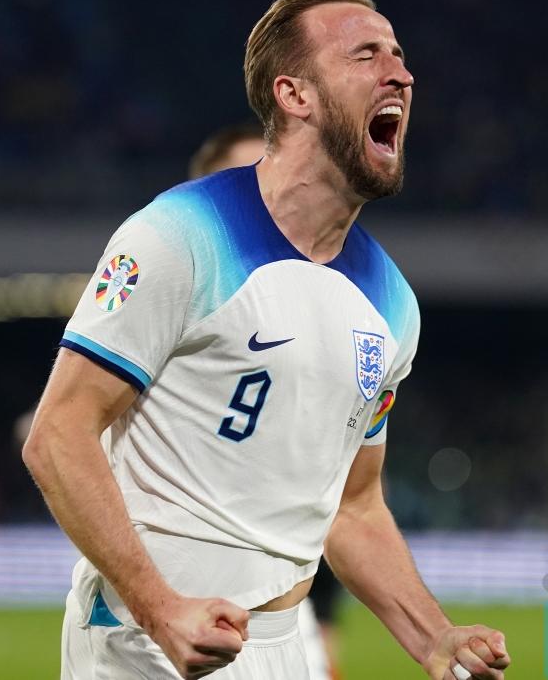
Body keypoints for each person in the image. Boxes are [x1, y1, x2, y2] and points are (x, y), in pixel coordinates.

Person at [23, 0, 510, 679]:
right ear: (294, 94)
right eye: (366, 54)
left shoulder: (393, 306)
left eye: (399, 55)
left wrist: (434, 636)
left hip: (284, 646)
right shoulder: (179, 236)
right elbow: (57, 436)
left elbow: (354, 506)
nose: (400, 73)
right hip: (149, 642)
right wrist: (161, 610)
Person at [188, 121, 345, 680]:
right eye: (248, 181)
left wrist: (323, 625)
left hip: (284, 620)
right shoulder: (163, 306)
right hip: (170, 614)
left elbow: (342, 501)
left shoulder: (333, 329)